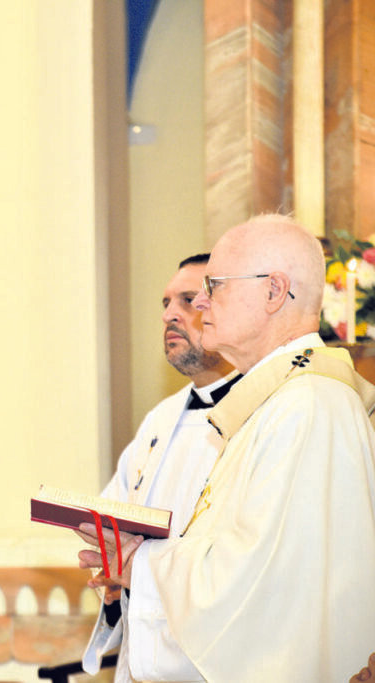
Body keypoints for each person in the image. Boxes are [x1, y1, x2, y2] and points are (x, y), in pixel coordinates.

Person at [80, 214, 375, 681]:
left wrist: (141, 565)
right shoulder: (278, 403)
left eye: (214, 286)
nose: (200, 302)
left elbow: (256, 585)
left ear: (274, 291)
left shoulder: (307, 406)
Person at [81, 254, 237, 682]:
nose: (169, 314)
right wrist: (112, 577)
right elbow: (115, 513)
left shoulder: (265, 415)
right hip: (143, 657)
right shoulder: (160, 420)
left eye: (188, 300)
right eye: (166, 303)